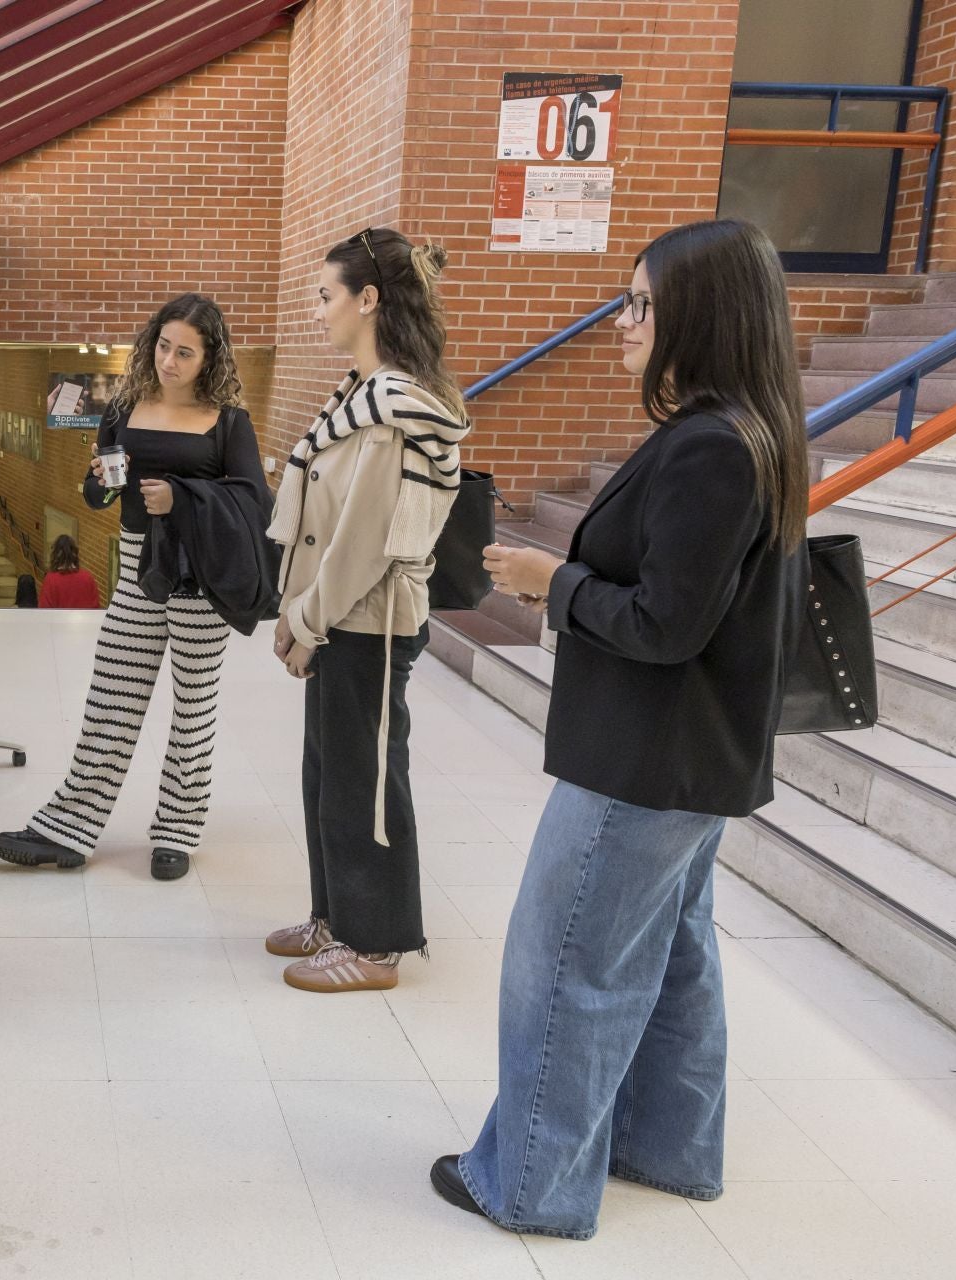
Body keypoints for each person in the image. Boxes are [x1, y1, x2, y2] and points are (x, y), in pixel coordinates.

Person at [431, 219, 808, 1239]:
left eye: (641, 303)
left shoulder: (714, 447)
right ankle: (665, 1144)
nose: (622, 323)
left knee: (565, 962)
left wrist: (553, 582)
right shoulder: (750, 430)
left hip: (647, 761)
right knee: (676, 957)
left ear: (703, 313)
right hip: (692, 760)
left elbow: (663, 623)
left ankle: (531, 1183)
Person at [0, 293, 263, 881]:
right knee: (111, 698)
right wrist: (99, 484)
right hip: (140, 565)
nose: (169, 361)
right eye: (163, 346)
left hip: (199, 576)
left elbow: (251, 502)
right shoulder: (123, 408)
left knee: (193, 709)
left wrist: (182, 498)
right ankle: (69, 828)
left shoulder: (229, 422)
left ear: (209, 358)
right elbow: (100, 497)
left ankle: (176, 832)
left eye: (184, 352)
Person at [263, 228, 470, 993]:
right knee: (330, 773)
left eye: (326, 297)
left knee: (367, 780)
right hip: (342, 615)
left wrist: (305, 620)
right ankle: (334, 915)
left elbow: (362, 545)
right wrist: (300, 612)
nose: (319, 312)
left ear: (369, 299)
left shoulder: (391, 410)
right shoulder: (359, 397)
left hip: (370, 619)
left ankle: (374, 945)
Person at [39, 535, 101, 608]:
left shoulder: (50, 579)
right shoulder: (87, 577)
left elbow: (45, 609)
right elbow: (95, 608)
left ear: (55, 555)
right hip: (84, 619)